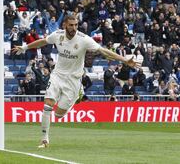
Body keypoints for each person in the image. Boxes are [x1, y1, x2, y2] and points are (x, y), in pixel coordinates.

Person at [12, 15, 140, 148]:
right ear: (64, 25)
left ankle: (78, 93)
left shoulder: (84, 39)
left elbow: (104, 51)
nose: (74, 28)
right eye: (71, 25)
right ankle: (44, 139)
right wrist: (25, 47)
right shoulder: (58, 35)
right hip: (57, 75)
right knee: (47, 105)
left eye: (76, 25)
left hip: (73, 80)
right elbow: (43, 41)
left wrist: (125, 60)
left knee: (58, 115)